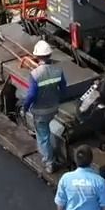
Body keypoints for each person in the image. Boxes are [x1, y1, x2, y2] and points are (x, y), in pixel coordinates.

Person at [22, 39, 66, 173]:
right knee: (51, 131)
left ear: (37, 56)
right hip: (54, 108)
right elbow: (63, 89)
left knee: (43, 136)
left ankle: (49, 162)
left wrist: (25, 107)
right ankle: (56, 154)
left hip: (40, 112)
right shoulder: (58, 70)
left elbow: (31, 95)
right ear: (49, 55)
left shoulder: (35, 74)